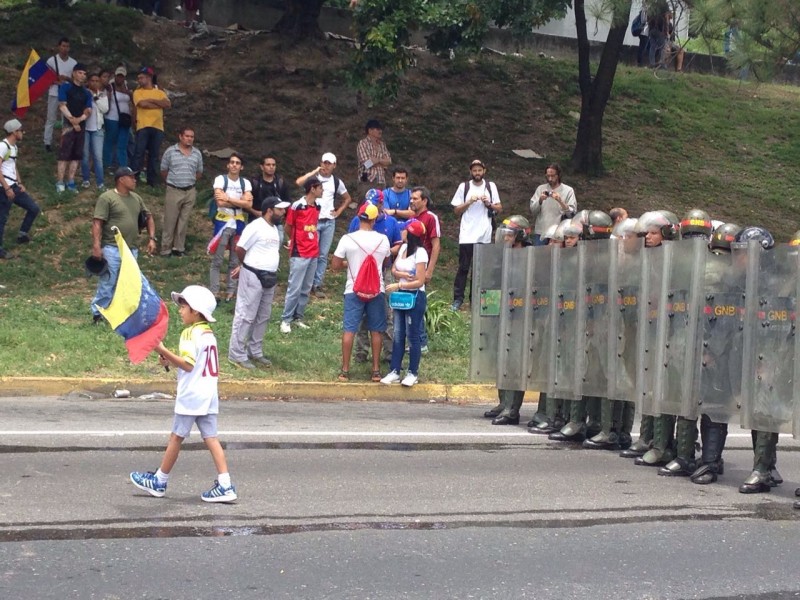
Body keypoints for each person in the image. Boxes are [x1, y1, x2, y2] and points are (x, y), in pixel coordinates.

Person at [129, 285, 238, 503]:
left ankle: (160, 480)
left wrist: (161, 349)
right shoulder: (207, 333)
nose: (180, 309)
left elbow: (188, 365)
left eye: (183, 305)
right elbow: (195, 364)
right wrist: (169, 359)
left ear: (195, 311)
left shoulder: (189, 333)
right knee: (211, 438)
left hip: (191, 396)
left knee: (176, 436)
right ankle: (225, 484)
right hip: (207, 394)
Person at [228, 196, 289, 370]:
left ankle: (255, 350)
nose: (283, 212)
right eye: (280, 209)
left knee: (263, 315)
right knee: (245, 314)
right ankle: (237, 353)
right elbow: (240, 248)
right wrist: (246, 266)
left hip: (269, 276)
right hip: (253, 274)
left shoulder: (275, 229)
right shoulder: (255, 227)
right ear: (270, 210)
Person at [331, 203, 391, 382]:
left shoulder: (348, 239)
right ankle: (375, 370)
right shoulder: (383, 240)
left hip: (353, 289)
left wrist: (349, 263)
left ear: (359, 217)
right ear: (374, 220)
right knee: (376, 330)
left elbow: (335, 265)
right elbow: (386, 262)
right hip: (376, 290)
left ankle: (345, 370)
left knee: (349, 330)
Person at [90, 166, 157, 324]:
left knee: (129, 283)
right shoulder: (107, 197)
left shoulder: (136, 198)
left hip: (131, 249)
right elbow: (97, 222)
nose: (135, 180)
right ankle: (98, 313)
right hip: (112, 248)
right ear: (121, 179)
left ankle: (124, 314)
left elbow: (148, 217)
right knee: (108, 281)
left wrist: (152, 238)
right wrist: (96, 246)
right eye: (131, 177)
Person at [484, 215, 533, 424]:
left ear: (521, 235)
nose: (506, 238)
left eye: (510, 234)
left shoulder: (530, 257)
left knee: (515, 362)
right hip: (503, 313)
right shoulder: (505, 256)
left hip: (521, 317)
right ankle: (504, 402)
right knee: (502, 360)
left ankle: (513, 409)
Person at [348, 189, 403, 363]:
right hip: (360, 272)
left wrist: (382, 252)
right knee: (360, 312)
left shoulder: (391, 222)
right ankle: (361, 352)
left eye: (374, 203)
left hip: (382, 272)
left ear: (381, 203)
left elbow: (398, 245)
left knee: (386, 312)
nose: (370, 206)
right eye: (368, 202)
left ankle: (388, 352)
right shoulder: (357, 220)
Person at [295, 153, 352, 298]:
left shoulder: (336, 181)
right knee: (310, 252)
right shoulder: (314, 179)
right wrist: (314, 172)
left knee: (323, 255)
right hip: (313, 220)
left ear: (334, 165)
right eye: (324, 162)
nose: (326, 166)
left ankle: (317, 283)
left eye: (329, 163)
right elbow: (299, 182)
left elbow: (347, 198)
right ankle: (305, 283)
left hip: (328, 221)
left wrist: (338, 211)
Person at [381, 219, 429, 387]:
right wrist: (401, 273)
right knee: (398, 333)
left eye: (404, 230)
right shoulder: (402, 248)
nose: (401, 231)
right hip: (401, 296)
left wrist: (400, 284)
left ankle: (412, 372)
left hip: (414, 296)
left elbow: (420, 280)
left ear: (411, 234)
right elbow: (394, 269)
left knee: (412, 335)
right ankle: (394, 370)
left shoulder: (420, 253)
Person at [450, 159, 502, 311]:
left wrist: (488, 204)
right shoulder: (464, 186)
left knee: (480, 270)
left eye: (479, 170)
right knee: (463, 268)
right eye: (474, 170)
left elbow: (499, 208)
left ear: (484, 171)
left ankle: (476, 300)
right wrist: (469, 202)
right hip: (467, 234)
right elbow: (456, 210)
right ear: (471, 172)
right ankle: (458, 299)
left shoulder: (490, 186)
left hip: (484, 234)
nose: (477, 173)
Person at [280, 177, 322, 333]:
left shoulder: (317, 207)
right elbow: (288, 226)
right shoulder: (297, 206)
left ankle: (298, 317)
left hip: (313, 252)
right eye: (320, 188)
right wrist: (294, 240)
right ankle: (286, 319)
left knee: (306, 288)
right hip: (299, 252)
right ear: (312, 188)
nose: (322, 191)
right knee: (294, 287)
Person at [210, 153, 252, 302]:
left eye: (237, 163)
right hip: (223, 222)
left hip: (239, 223)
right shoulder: (220, 179)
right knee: (218, 259)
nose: (234, 165)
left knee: (235, 261)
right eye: (232, 162)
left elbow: (248, 204)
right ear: (228, 165)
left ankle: (230, 292)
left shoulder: (245, 182)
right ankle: (214, 292)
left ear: (242, 167)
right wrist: (238, 201)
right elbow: (220, 203)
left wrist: (228, 198)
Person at [159, 126, 203, 257]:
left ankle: (179, 248)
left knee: (183, 222)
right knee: (170, 221)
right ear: (180, 136)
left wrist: (190, 182)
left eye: (192, 137)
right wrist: (172, 181)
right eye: (187, 136)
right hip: (174, 190)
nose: (189, 139)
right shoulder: (171, 152)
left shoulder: (197, 153)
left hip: (190, 191)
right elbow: (163, 170)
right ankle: (165, 249)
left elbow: (199, 172)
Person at [0, 119, 40, 259]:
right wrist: (6, 188)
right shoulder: (3, 146)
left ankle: (22, 234)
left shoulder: (14, 147)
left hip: (14, 186)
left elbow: (13, 165)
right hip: (4, 188)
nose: (23, 132)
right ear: (13, 132)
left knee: (33, 208)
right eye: (20, 130)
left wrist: (19, 182)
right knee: (2, 218)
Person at [408, 186, 441, 352]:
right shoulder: (413, 216)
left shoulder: (430, 218)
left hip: (423, 264)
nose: (412, 201)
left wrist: (430, 270)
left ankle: (421, 342)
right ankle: (414, 340)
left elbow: (436, 245)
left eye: (415, 198)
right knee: (409, 302)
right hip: (410, 264)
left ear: (424, 201)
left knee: (417, 302)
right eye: (411, 198)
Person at [55, 63, 92, 194]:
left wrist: (80, 120)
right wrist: (72, 120)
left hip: (80, 125)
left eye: (84, 73)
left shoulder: (87, 92)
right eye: (80, 73)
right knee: (64, 155)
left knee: (76, 155)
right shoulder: (66, 87)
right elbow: (62, 105)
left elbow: (88, 110)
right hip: (67, 126)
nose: (82, 75)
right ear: (74, 73)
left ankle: (71, 181)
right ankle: (60, 181)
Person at [131, 66, 171, 187]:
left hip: (158, 126)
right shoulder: (137, 92)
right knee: (139, 152)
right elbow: (142, 104)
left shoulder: (160, 92)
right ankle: (134, 177)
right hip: (143, 125)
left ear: (149, 78)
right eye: (138, 78)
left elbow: (168, 104)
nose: (139, 80)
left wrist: (151, 100)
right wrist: (159, 104)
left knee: (154, 154)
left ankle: (152, 180)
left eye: (141, 77)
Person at [529, 163, 577, 246]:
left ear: (558, 175)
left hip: (559, 233)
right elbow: (533, 210)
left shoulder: (568, 190)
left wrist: (560, 201)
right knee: (539, 257)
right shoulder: (540, 188)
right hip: (541, 232)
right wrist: (540, 200)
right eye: (548, 176)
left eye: (553, 176)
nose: (550, 179)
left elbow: (572, 214)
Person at [44, 38, 77, 152]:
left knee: (66, 118)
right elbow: (46, 78)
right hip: (54, 92)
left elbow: (76, 79)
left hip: (67, 94)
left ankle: (64, 142)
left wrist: (67, 78)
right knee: (51, 118)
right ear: (59, 47)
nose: (65, 49)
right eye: (63, 46)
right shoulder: (51, 61)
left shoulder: (73, 63)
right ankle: (47, 142)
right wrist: (56, 81)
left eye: (67, 46)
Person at [80, 72, 109, 190]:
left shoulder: (103, 95)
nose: (95, 83)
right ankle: (86, 180)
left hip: (97, 129)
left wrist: (95, 98)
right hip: (85, 128)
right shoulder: (83, 93)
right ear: (88, 82)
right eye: (92, 80)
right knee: (85, 155)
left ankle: (100, 182)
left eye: (97, 81)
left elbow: (105, 109)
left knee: (98, 157)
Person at [103, 65, 134, 170]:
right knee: (110, 141)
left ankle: (122, 165)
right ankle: (108, 164)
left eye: (122, 77)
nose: (120, 78)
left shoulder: (126, 87)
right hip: (112, 117)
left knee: (122, 143)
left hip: (124, 118)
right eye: (118, 76)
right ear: (115, 76)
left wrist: (130, 94)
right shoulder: (110, 87)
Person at [356, 118, 391, 200]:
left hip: (381, 181)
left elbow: (389, 161)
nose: (380, 131)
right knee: (364, 206)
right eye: (378, 129)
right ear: (370, 130)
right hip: (367, 180)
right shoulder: (363, 143)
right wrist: (381, 161)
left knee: (380, 207)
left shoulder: (382, 145)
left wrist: (377, 160)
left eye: (381, 129)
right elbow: (366, 164)